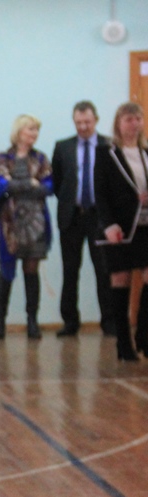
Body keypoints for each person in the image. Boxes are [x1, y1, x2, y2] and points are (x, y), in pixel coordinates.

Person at [52, 101, 115, 337]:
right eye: (78, 122)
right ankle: (70, 322)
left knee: (104, 271)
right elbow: (58, 183)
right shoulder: (63, 147)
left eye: (87, 122)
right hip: (72, 217)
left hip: (100, 218)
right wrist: (71, 202)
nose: (83, 127)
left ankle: (109, 322)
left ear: (95, 120)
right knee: (70, 271)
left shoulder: (109, 145)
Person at [0, 114, 53, 340]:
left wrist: (19, 186)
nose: (34, 134)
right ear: (19, 131)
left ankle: (32, 322)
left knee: (31, 271)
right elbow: (1, 185)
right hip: (9, 223)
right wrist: (30, 183)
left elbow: (49, 186)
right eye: (30, 129)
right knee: (5, 272)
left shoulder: (41, 158)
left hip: (35, 224)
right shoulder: (3, 158)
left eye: (36, 130)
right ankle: (0, 323)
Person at [95, 101, 148, 361]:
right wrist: (109, 225)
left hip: (145, 225)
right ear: (118, 123)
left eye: (138, 119)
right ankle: (123, 344)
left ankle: (144, 333)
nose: (134, 124)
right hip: (119, 227)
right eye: (128, 119)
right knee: (121, 280)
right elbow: (101, 194)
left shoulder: (146, 152)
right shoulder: (107, 153)